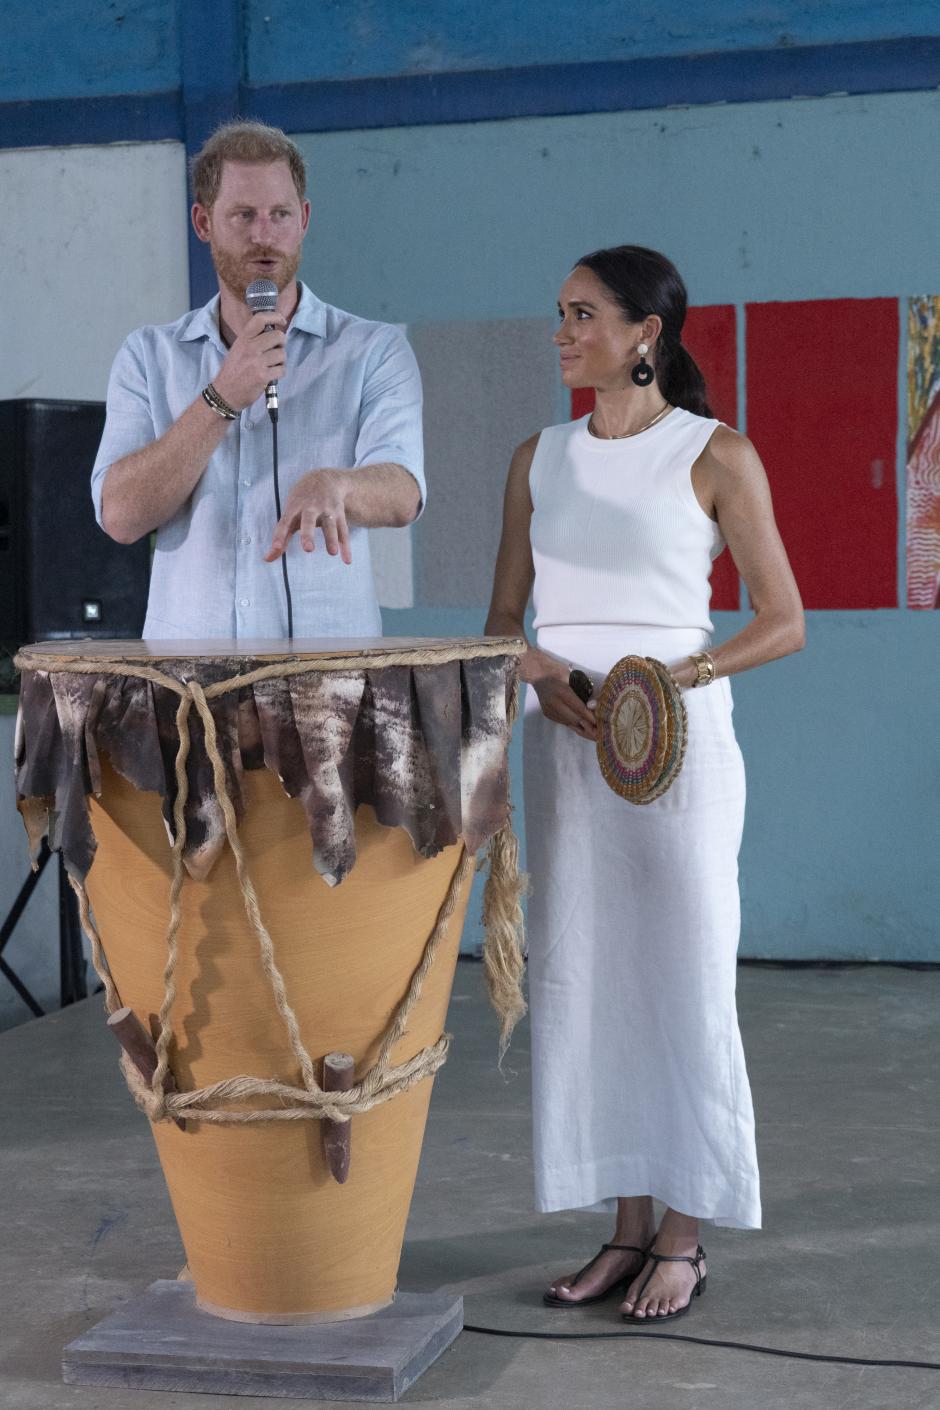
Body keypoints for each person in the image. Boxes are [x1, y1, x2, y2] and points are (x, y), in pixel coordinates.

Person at [485, 245, 804, 1322]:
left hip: (678, 750)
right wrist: (539, 671)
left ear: (643, 336)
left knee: (682, 976)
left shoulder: (714, 454)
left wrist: (669, 680)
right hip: (565, 745)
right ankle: (624, 1226)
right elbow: (500, 629)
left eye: (583, 315)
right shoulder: (538, 457)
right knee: (584, 984)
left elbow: (782, 620)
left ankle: (684, 1232)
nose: (563, 332)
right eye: (560, 313)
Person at [92, 120, 423, 638]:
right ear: (203, 222)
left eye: (280, 214)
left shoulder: (372, 350)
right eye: (243, 215)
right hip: (191, 687)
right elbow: (121, 516)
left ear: (305, 219)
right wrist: (221, 396)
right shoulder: (148, 356)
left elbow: (404, 492)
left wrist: (335, 483)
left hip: (327, 677)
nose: (264, 236)